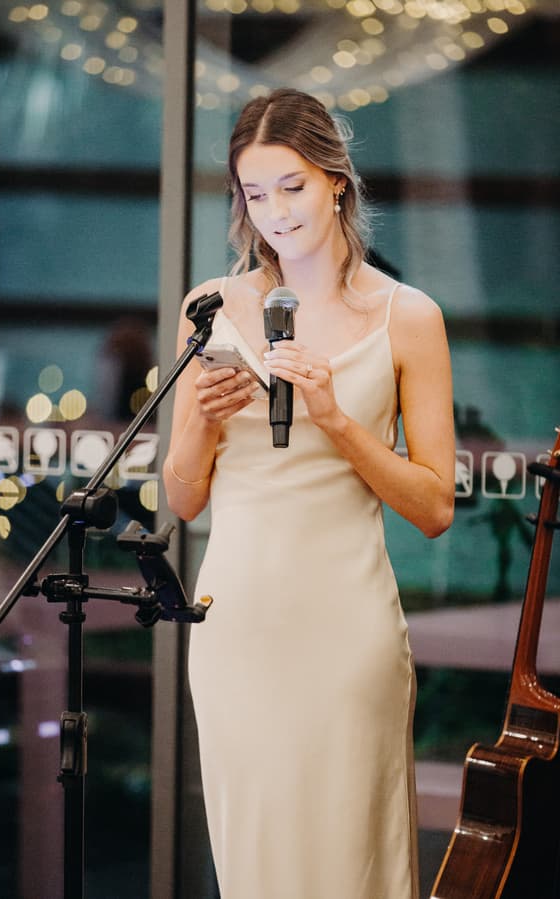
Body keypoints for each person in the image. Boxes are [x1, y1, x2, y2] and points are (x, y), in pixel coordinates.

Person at [162, 88, 455, 899]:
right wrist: (200, 427)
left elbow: (435, 508)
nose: (276, 213)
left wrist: (337, 419)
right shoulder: (211, 309)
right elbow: (183, 499)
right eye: (256, 195)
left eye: (291, 186)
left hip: (345, 632)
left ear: (335, 179)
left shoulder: (409, 317)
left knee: (349, 863)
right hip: (237, 628)